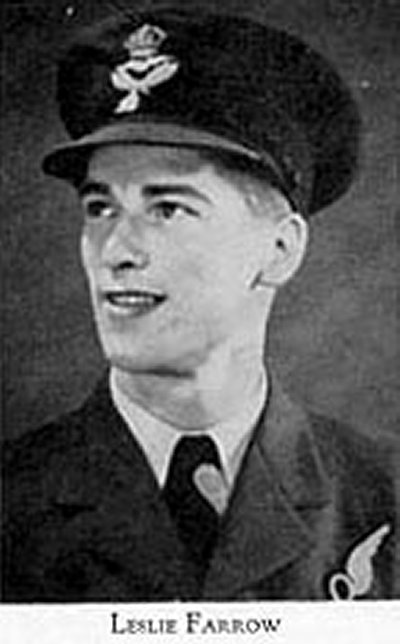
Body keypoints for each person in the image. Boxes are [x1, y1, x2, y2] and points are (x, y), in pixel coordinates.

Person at [2, 8, 396, 601]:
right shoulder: (14, 498)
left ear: (280, 250)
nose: (116, 250)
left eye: (168, 208)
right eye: (100, 208)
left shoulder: (382, 496)